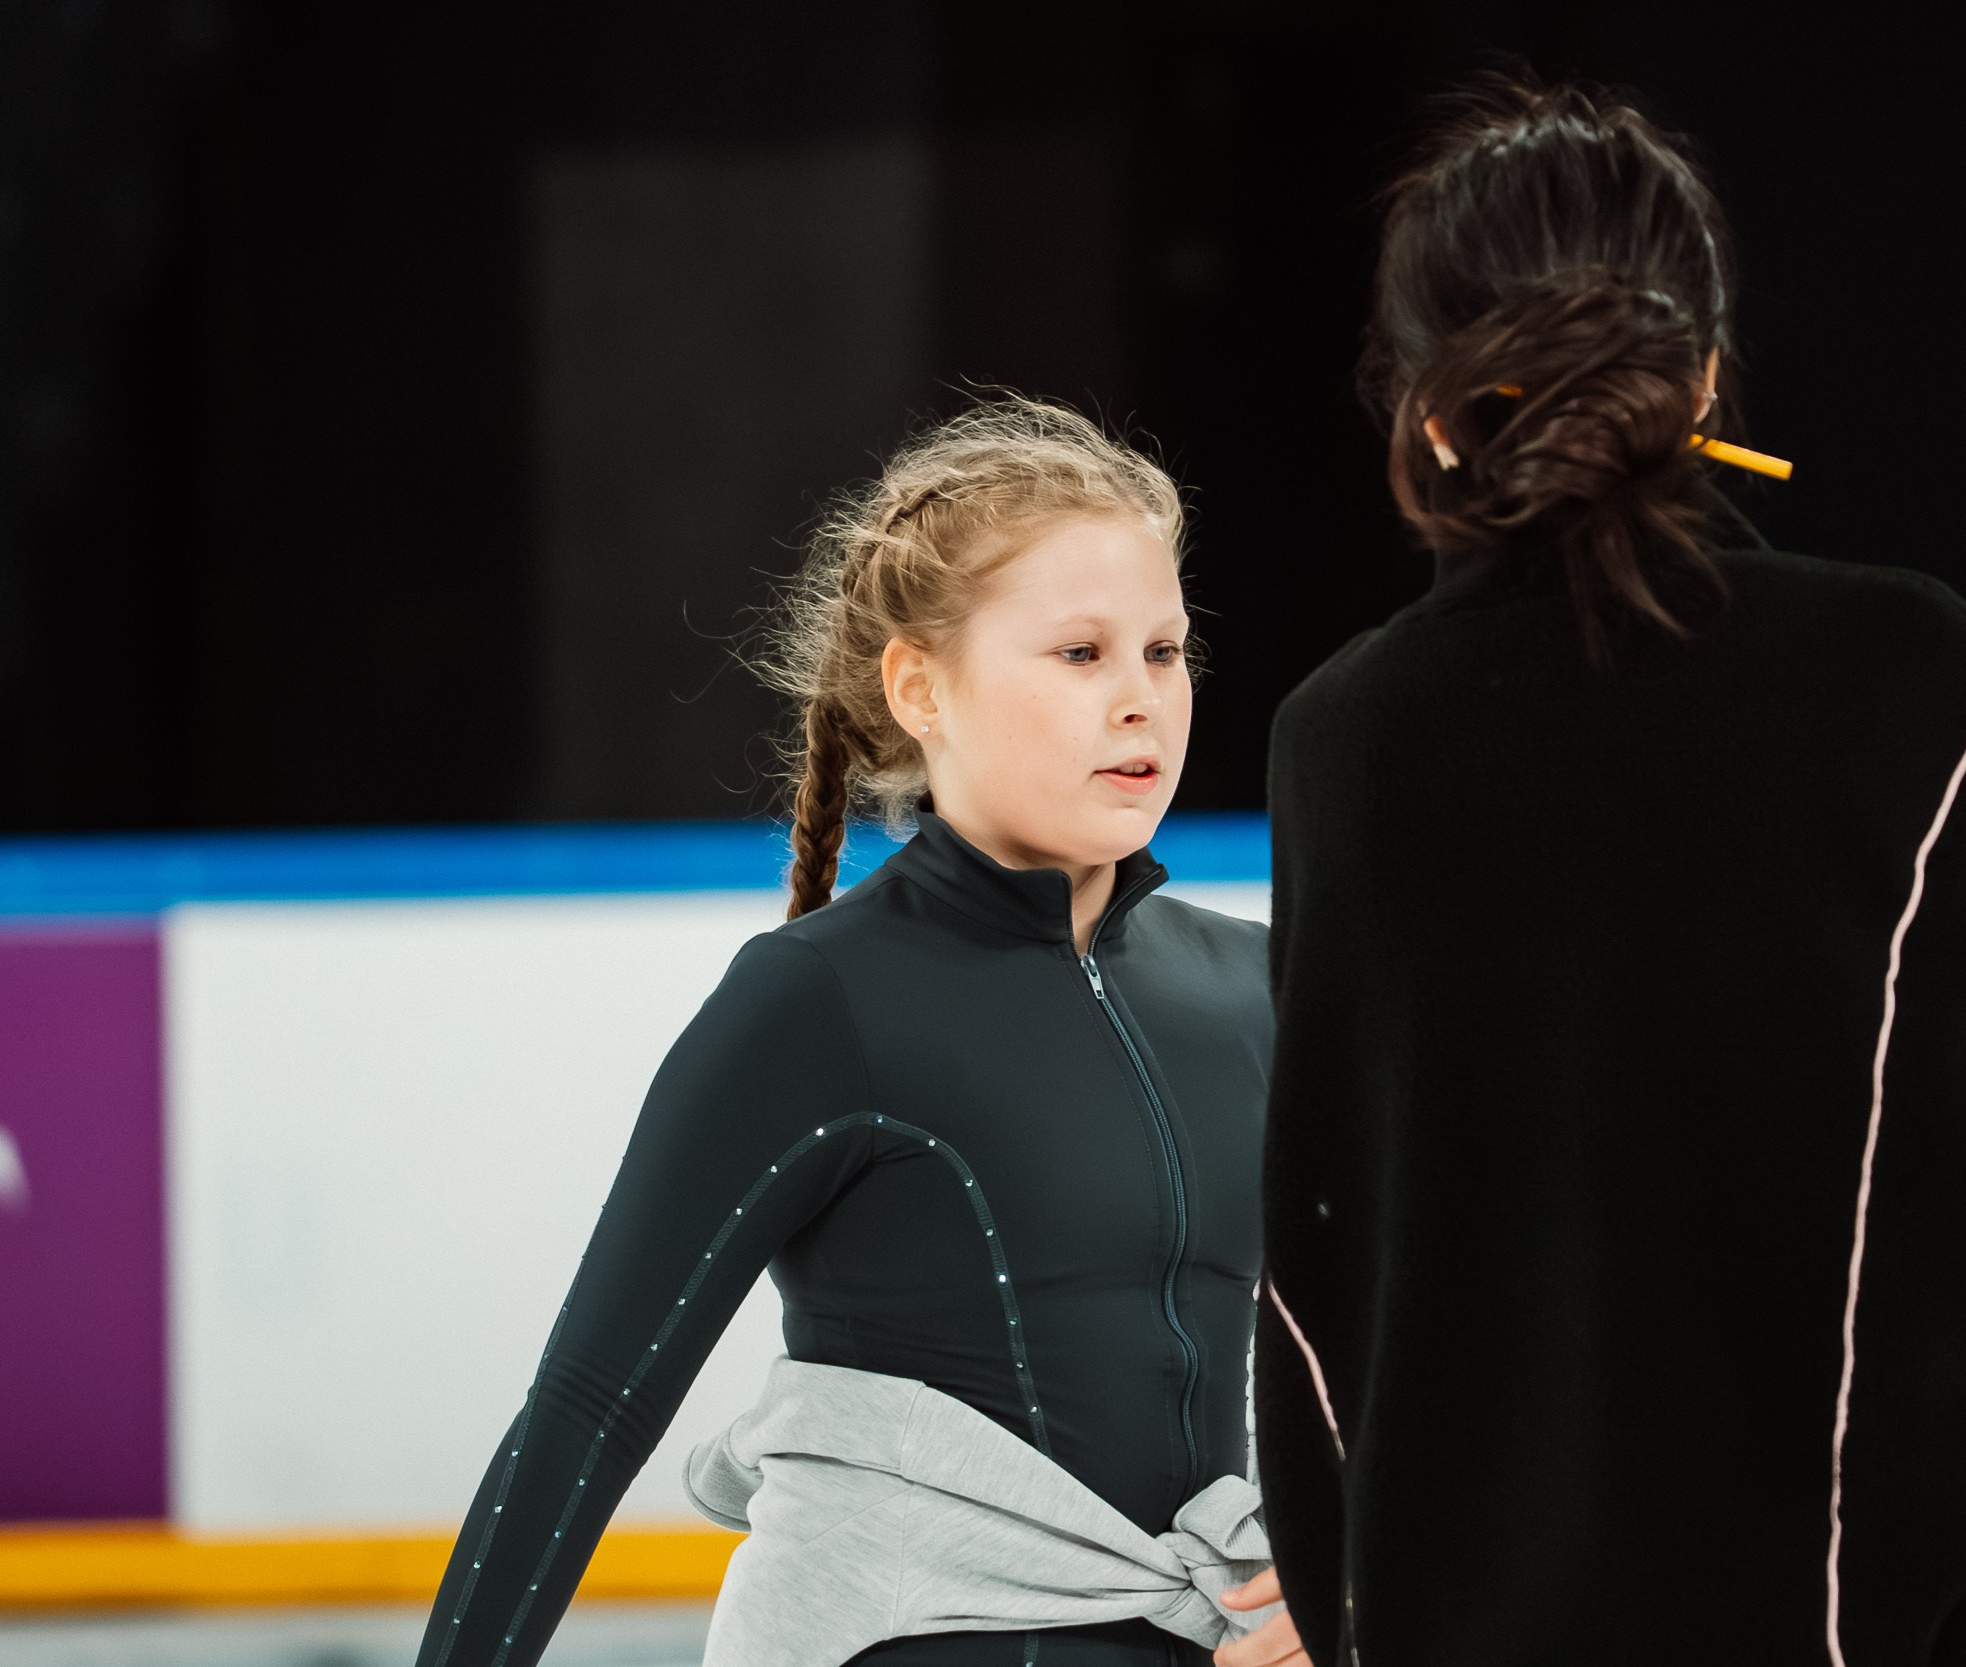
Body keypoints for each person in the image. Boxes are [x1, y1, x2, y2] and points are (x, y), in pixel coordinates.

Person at [1250, 77, 1966, 1665]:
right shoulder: (1923, 675)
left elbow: (1327, 1251)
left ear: (1424, 404)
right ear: (1703, 371)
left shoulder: (1341, 741)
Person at [413, 399, 1304, 1667]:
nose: (1140, 701)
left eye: (1164, 651)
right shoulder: (818, 1002)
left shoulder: (1253, 985)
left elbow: (1402, 1355)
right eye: (1079, 653)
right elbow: (589, 1407)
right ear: (918, 685)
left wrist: (1345, 1578)